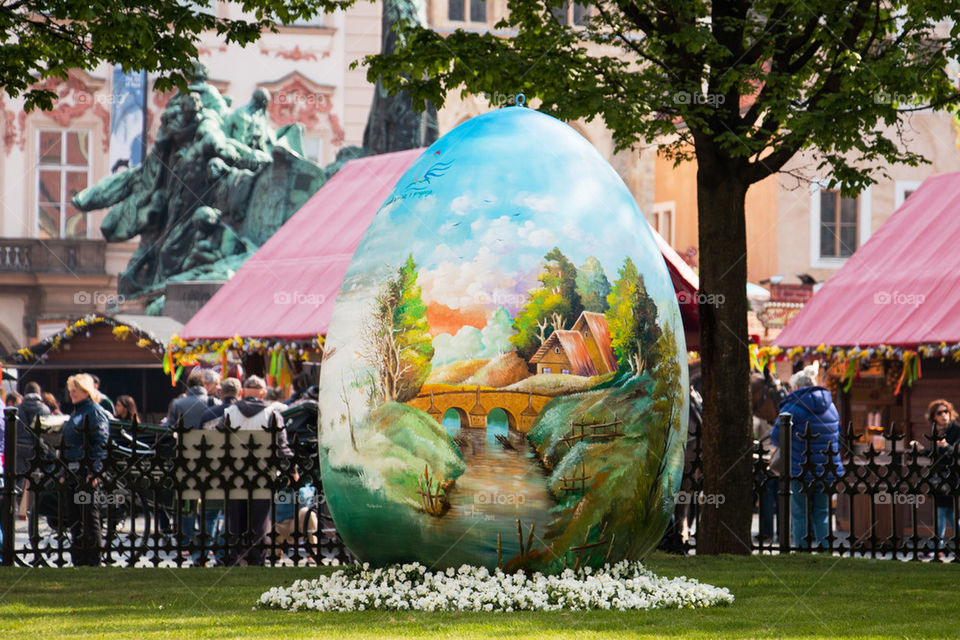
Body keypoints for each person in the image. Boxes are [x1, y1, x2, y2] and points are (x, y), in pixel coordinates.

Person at [221, 375, 294, 566]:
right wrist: (290, 469)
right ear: (263, 393)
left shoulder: (229, 411)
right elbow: (281, 445)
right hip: (263, 474)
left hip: (235, 474)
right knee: (260, 520)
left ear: (243, 392)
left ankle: (236, 557)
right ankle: (258, 558)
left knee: (236, 519)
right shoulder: (272, 413)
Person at [771, 361, 844, 549]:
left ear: (796, 387)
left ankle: (802, 549)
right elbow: (839, 434)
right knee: (822, 511)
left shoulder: (793, 407)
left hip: (800, 467)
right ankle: (824, 549)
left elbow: (776, 437)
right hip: (827, 469)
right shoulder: (831, 406)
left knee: (799, 512)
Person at [62, 373, 111, 566]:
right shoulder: (77, 412)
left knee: (90, 516)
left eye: (76, 389)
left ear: (86, 391)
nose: (72, 392)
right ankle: (80, 558)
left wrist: (95, 471)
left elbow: (100, 442)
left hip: (86, 471)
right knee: (75, 517)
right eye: (71, 389)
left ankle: (93, 559)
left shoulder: (93, 411)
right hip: (73, 470)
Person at [911, 400, 960, 557]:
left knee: (945, 513)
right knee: (945, 513)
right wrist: (922, 450)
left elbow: (955, 454)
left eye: (946, 411)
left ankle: (935, 548)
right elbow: (937, 456)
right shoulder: (936, 431)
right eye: (939, 413)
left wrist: (947, 446)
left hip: (951, 477)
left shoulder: (956, 430)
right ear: (934, 417)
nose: (944, 415)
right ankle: (935, 548)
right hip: (938, 478)